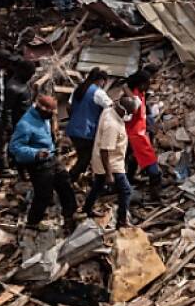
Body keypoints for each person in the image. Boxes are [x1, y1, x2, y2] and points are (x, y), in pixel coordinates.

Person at [10, 94, 79, 233]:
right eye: (51, 113)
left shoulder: (44, 118)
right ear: (41, 109)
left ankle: (70, 216)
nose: (53, 116)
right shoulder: (25, 124)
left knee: (65, 184)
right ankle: (33, 222)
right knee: (44, 195)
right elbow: (15, 147)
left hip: (51, 158)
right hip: (37, 164)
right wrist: (35, 153)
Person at [83, 95, 139, 228]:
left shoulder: (109, 110)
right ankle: (122, 221)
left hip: (107, 159)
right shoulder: (112, 125)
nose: (130, 116)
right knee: (126, 191)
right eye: (129, 113)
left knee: (97, 185)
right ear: (123, 111)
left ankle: (87, 209)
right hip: (110, 163)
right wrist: (109, 174)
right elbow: (105, 150)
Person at [67, 68, 113, 183]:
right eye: (104, 82)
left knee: (83, 157)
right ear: (100, 80)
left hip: (73, 129)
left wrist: (75, 117)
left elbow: (68, 106)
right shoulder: (98, 92)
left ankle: (74, 179)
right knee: (86, 158)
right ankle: (69, 179)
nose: (103, 84)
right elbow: (111, 108)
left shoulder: (78, 88)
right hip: (86, 131)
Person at [124, 70, 162, 204]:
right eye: (146, 83)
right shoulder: (134, 96)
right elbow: (136, 107)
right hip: (136, 134)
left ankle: (129, 179)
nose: (149, 85)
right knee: (151, 164)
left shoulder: (140, 93)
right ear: (140, 84)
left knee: (133, 158)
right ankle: (155, 194)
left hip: (138, 131)